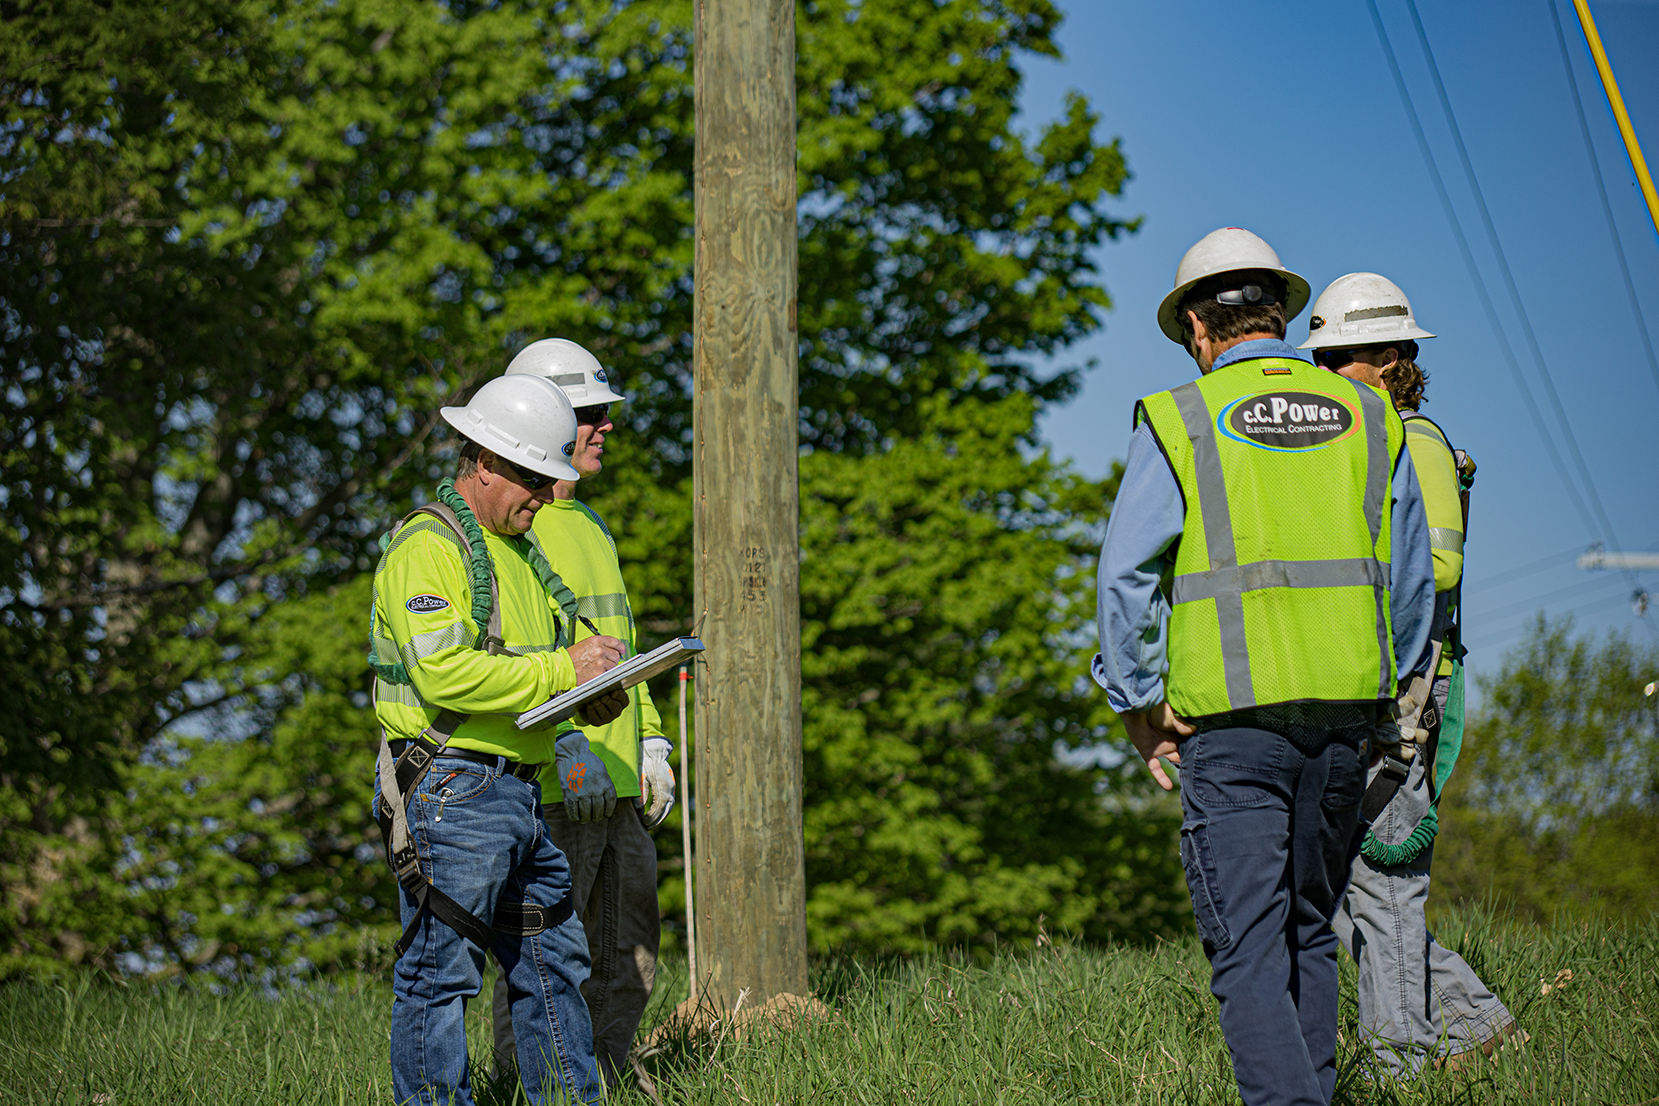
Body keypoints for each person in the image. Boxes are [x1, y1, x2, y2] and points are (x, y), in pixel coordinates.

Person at [1092, 228, 1436, 1106]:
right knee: (1308, 934)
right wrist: (1384, 697)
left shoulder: (1179, 417)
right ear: (1277, 318)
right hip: (1343, 726)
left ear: (1199, 332)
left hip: (1230, 732)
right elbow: (1409, 587)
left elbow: (1124, 575)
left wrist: (1136, 700)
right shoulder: (1371, 418)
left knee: (1246, 948)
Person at [368, 373, 632, 1106]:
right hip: (451, 789)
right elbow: (447, 673)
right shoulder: (429, 546)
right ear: (484, 461)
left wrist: (588, 697)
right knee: (440, 973)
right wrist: (562, 669)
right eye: (532, 478)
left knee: (554, 963)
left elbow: (531, 671)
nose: (547, 496)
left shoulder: (519, 553)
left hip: (517, 787)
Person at [1303, 273, 1519, 1073]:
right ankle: (1479, 1031)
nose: (1326, 375)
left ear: (1390, 357)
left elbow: (1439, 563)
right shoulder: (1360, 439)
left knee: (1380, 885)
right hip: (1364, 694)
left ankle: (1400, 1067)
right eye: (1320, 360)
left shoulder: (1413, 440)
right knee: (1350, 890)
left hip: (1405, 702)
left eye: (1342, 359)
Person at [489, 339, 676, 1087]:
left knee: (627, 960)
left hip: (619, 787)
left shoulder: (590, 526)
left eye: (604, 414)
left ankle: (602, 1088)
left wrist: (653, 743)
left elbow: (617, 652)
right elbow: (523, 654)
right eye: (587, 414)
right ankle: (527, 1092)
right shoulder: (514, 528)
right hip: (555, 786)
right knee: (544, 963)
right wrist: (567, 743)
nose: (604, 427)